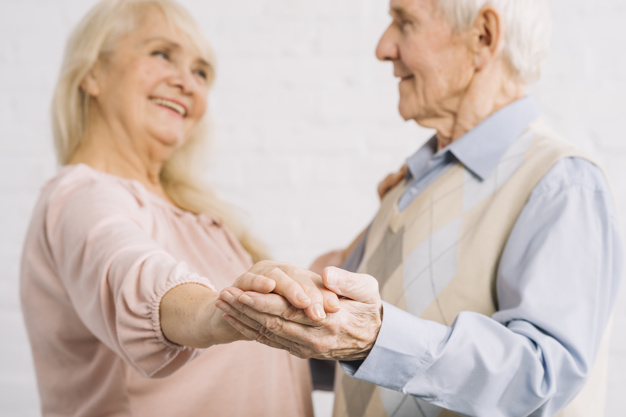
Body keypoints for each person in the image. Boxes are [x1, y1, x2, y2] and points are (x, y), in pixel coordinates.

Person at [216, 0, 623, 415]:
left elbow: (542, 377)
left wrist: (375, 337)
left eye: (404, 22)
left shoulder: (562, 183)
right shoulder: (408, 183)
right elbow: (353, 362)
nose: (383, 48)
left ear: (483, 36)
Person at [19, 0, 340, 416]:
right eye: (161, 53)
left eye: (201, 72)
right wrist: (213, 312)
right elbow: (127, 269)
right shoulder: (82, 196)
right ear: (92, 73)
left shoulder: (192, 213)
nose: (187, 82)